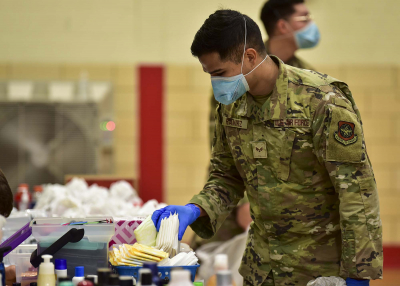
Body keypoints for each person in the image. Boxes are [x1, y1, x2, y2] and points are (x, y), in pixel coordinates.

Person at [153, 9, 382, 286]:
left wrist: (359, 273)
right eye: (209, 74)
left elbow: (357, 193)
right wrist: (195, 209)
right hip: (261, 269)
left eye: (220, 72)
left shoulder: (321, 101)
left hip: (318, 270)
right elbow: (226, 177)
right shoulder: (232, 107)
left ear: (249, 56)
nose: (216, 83)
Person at [194, 0, 320, 250]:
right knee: (207, 260)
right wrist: (243, 203)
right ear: (282, 25)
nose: (312, 25)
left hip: (287, 204)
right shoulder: (233, 74)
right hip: (239, 190)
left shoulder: (309, 82)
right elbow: (224, 151)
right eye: (303, 19)